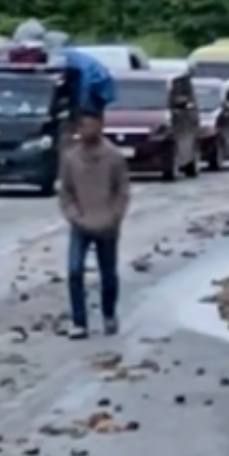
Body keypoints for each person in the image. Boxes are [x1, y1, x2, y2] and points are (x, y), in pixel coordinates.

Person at [58, 112, 130, 338]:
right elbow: (65, 191)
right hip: (80, 222)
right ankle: (79, 321)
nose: (85, 130)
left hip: (107, 223)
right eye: (82, 126)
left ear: (100, 126)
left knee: (108, 273)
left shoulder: (114, 157)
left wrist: (115, 215)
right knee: (74, 270)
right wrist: (73, 214)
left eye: (90, 125)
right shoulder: (71, 158)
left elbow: (122, 191)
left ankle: (109, 314)